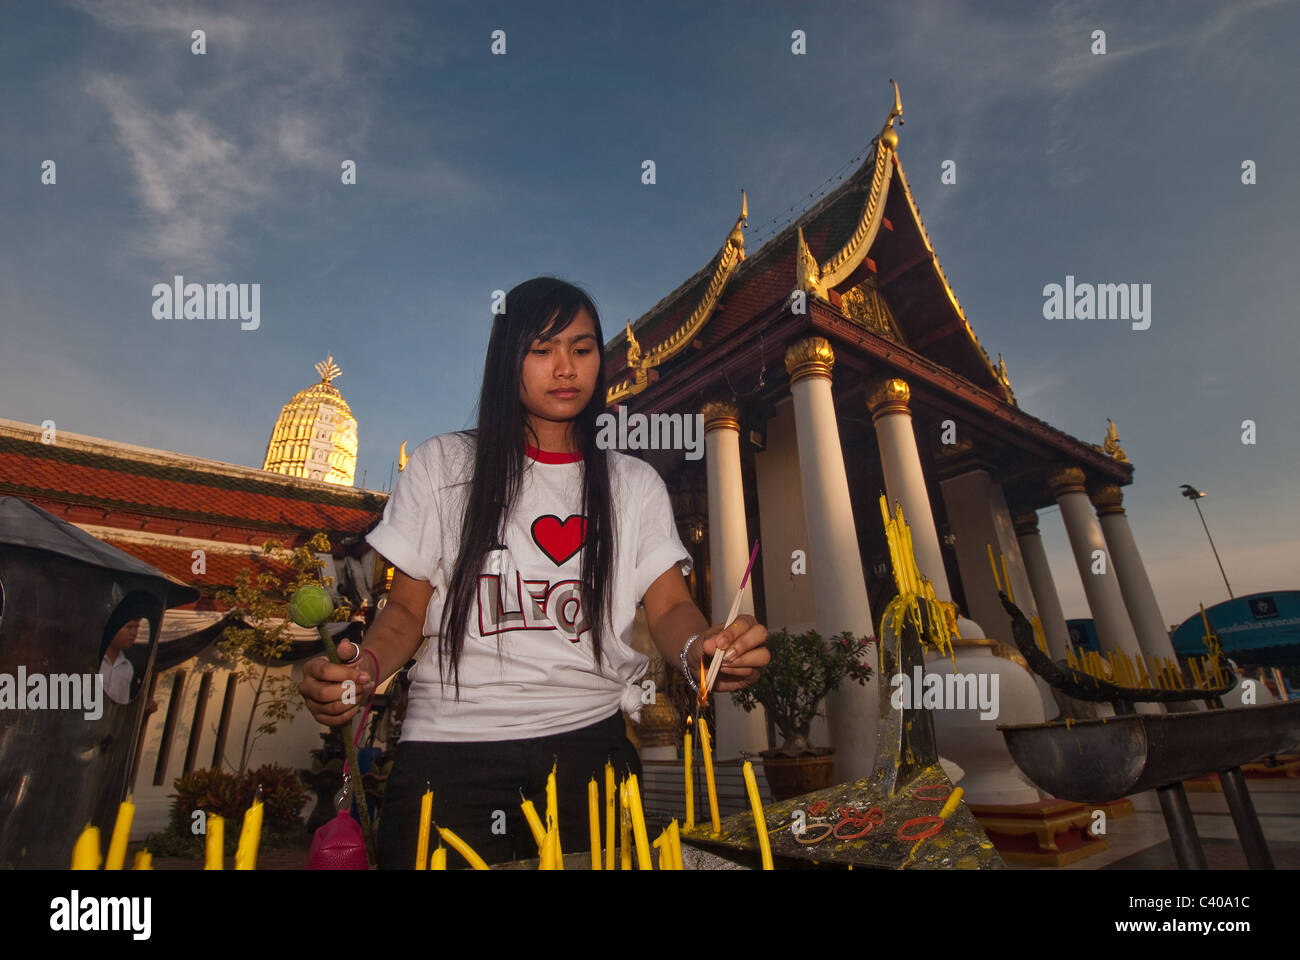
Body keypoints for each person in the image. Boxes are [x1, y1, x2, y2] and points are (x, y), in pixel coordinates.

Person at [299, 277, 770, 868]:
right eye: (541, 349)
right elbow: (405, 611)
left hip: (588, 752)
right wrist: (364, 668)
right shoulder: (443, 465)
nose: (566, 367)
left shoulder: (633, 484)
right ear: (508, 359)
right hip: (450, 754)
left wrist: (704, 647)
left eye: (582, 347)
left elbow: (670, 606)